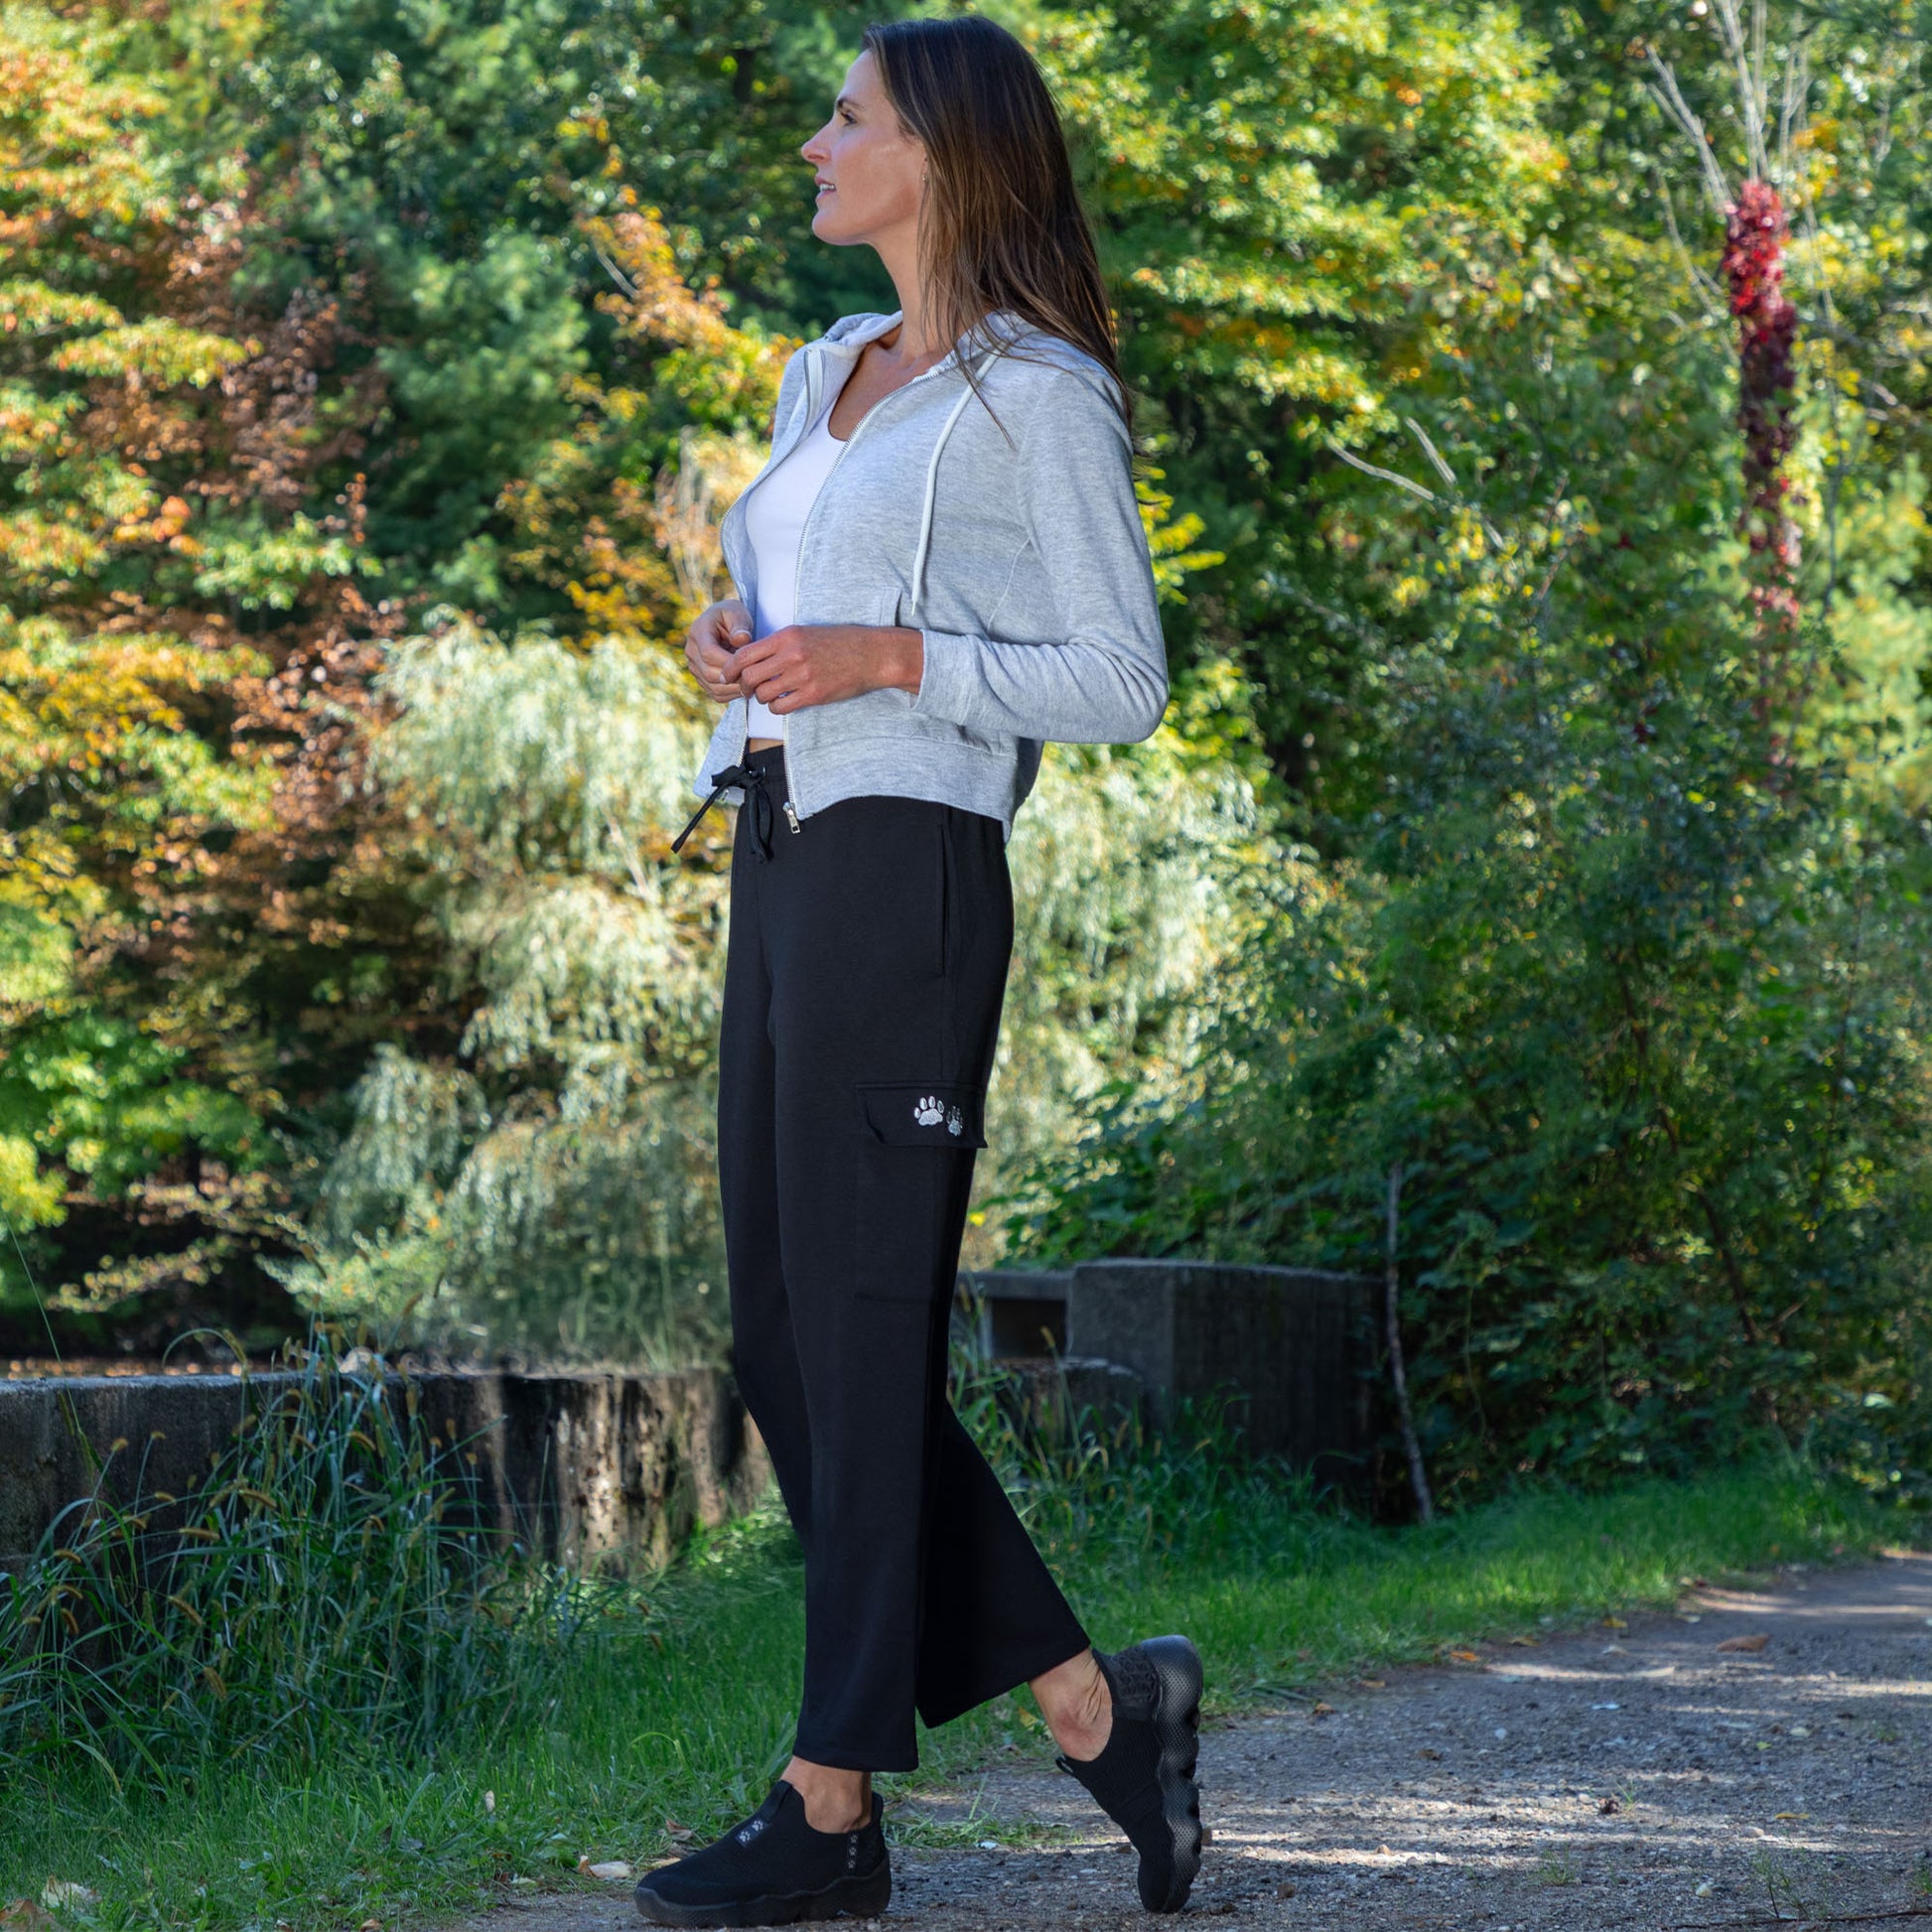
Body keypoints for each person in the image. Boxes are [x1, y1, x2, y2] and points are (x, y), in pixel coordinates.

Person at [634, 16, 1202, 1927]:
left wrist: (890, 662)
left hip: (915, 877)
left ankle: (828, 1813)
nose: (814, 141)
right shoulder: (823, 372)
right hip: (784, 853)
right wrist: (751, 649)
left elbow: (1118, 676)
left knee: (853, 1328)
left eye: (847, 117)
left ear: (940, 153)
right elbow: (820, 602)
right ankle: (1096, 1709)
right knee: (786, 1335)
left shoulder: (1037, 393)